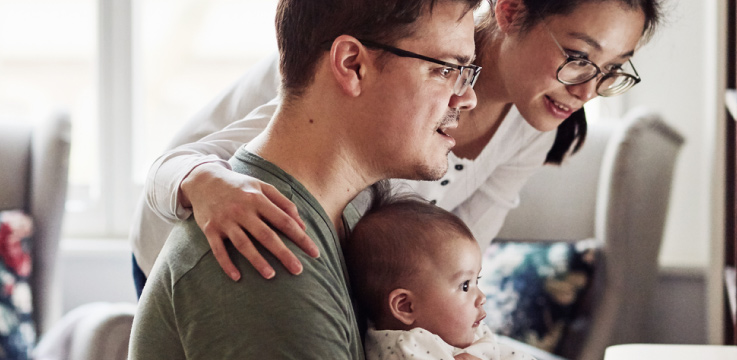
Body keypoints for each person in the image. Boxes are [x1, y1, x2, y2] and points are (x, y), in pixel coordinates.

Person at [132, 0, 665, 290]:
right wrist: (205, 183)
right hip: (183, 232)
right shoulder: (390, 66)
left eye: (613, 71)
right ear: (509, 9)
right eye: (578, 55)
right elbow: (172, 165)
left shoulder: (532, 120)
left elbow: (454, 255)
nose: (587, 90)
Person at [128, 0, 482, 358]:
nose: (467, 97)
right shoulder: (265, 256)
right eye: (446, 70)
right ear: (352, 65)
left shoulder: (360, 207)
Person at [345, 189, 534, 360]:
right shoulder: (408, 348)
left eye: (477, 280)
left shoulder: (462, 331)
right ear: (406, 306)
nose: (482, 297)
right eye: (465, 285)